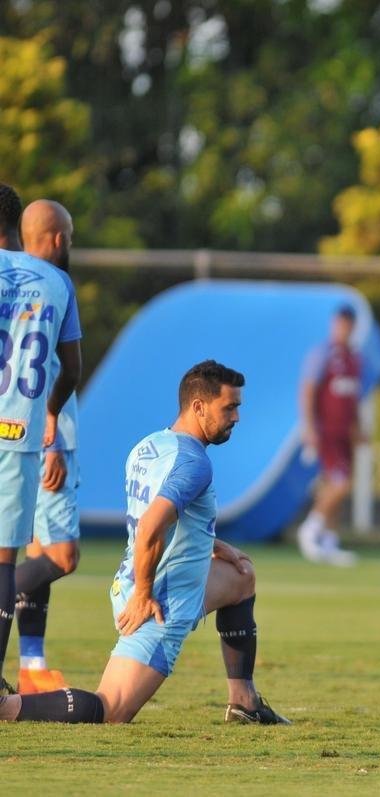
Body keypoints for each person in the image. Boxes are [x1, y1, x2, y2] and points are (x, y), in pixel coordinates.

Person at [0, 360, 290, 724]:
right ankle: (5, 707)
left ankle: (244, 703)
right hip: (157, 600)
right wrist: (144, 595)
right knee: (111, 710)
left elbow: (165, 517)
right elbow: (152, 524)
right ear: (199, 407)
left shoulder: (150, 446)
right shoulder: (194, 463)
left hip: (146, 579)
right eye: (229, 407)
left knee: (241, 577)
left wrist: (215, 545)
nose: (236, 417)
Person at [0, 221, 82, 696]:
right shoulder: (54, 289)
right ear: (54, 238)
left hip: (41, 435)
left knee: (35, 551)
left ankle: (32, 663)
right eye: (68, 233)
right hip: (43, 438)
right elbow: (59, 371)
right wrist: (53, 444)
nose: (70, 242)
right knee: (61, 555)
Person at [297, 305, 362, 566]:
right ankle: (310, 529)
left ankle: (329, 542)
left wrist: (358, 426)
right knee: (341, 483)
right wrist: (309, 426)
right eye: (340, 324)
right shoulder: (323, 354)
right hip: (327, 432)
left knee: (335, 486)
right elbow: (308, 390)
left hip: (345, 432)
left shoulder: (354, 358)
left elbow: (352, 397)